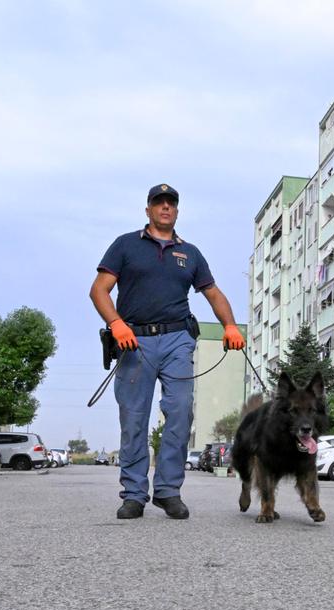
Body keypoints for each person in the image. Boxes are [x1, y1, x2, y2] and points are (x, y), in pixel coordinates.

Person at [89, 184, 245, 520]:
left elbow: (213, 294)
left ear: (176, 211)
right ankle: (133, 494)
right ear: (147, 209)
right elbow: (99, 290)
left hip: (177, 339)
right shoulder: (125, 245)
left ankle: (168, 491)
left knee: (179, 411)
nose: (164, 208)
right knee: (134, 418)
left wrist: (230, 325)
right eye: (158, 203)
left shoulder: (190, 253)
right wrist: (116, 323)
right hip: (134, 340)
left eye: (170, 204)